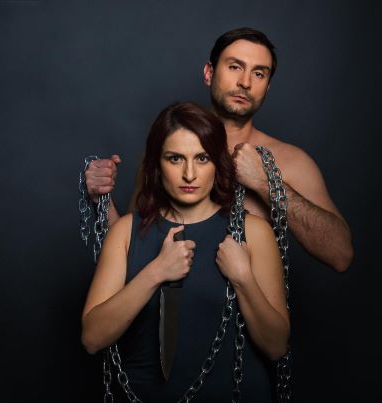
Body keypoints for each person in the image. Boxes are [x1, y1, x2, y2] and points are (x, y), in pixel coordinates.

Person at [84, 27, 353, 272]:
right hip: (167, 307)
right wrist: (102, 201)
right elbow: (131, 252)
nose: (245, 82)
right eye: (235, 67)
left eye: (259, 73)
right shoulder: (169, 150)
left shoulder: (290, 161)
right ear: (209, 73)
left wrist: (265, 183)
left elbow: (340, 255)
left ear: (267, 86)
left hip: (245, 309)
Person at [81, 102, 290, 402]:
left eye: (202, 158)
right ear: (157, 163)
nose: (189, 174)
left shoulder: (253, 233)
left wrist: (243, 278)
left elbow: (276, 347)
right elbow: (92, 338)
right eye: (175, 158)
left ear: (217, 162)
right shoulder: (125, 232)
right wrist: (156, 272)